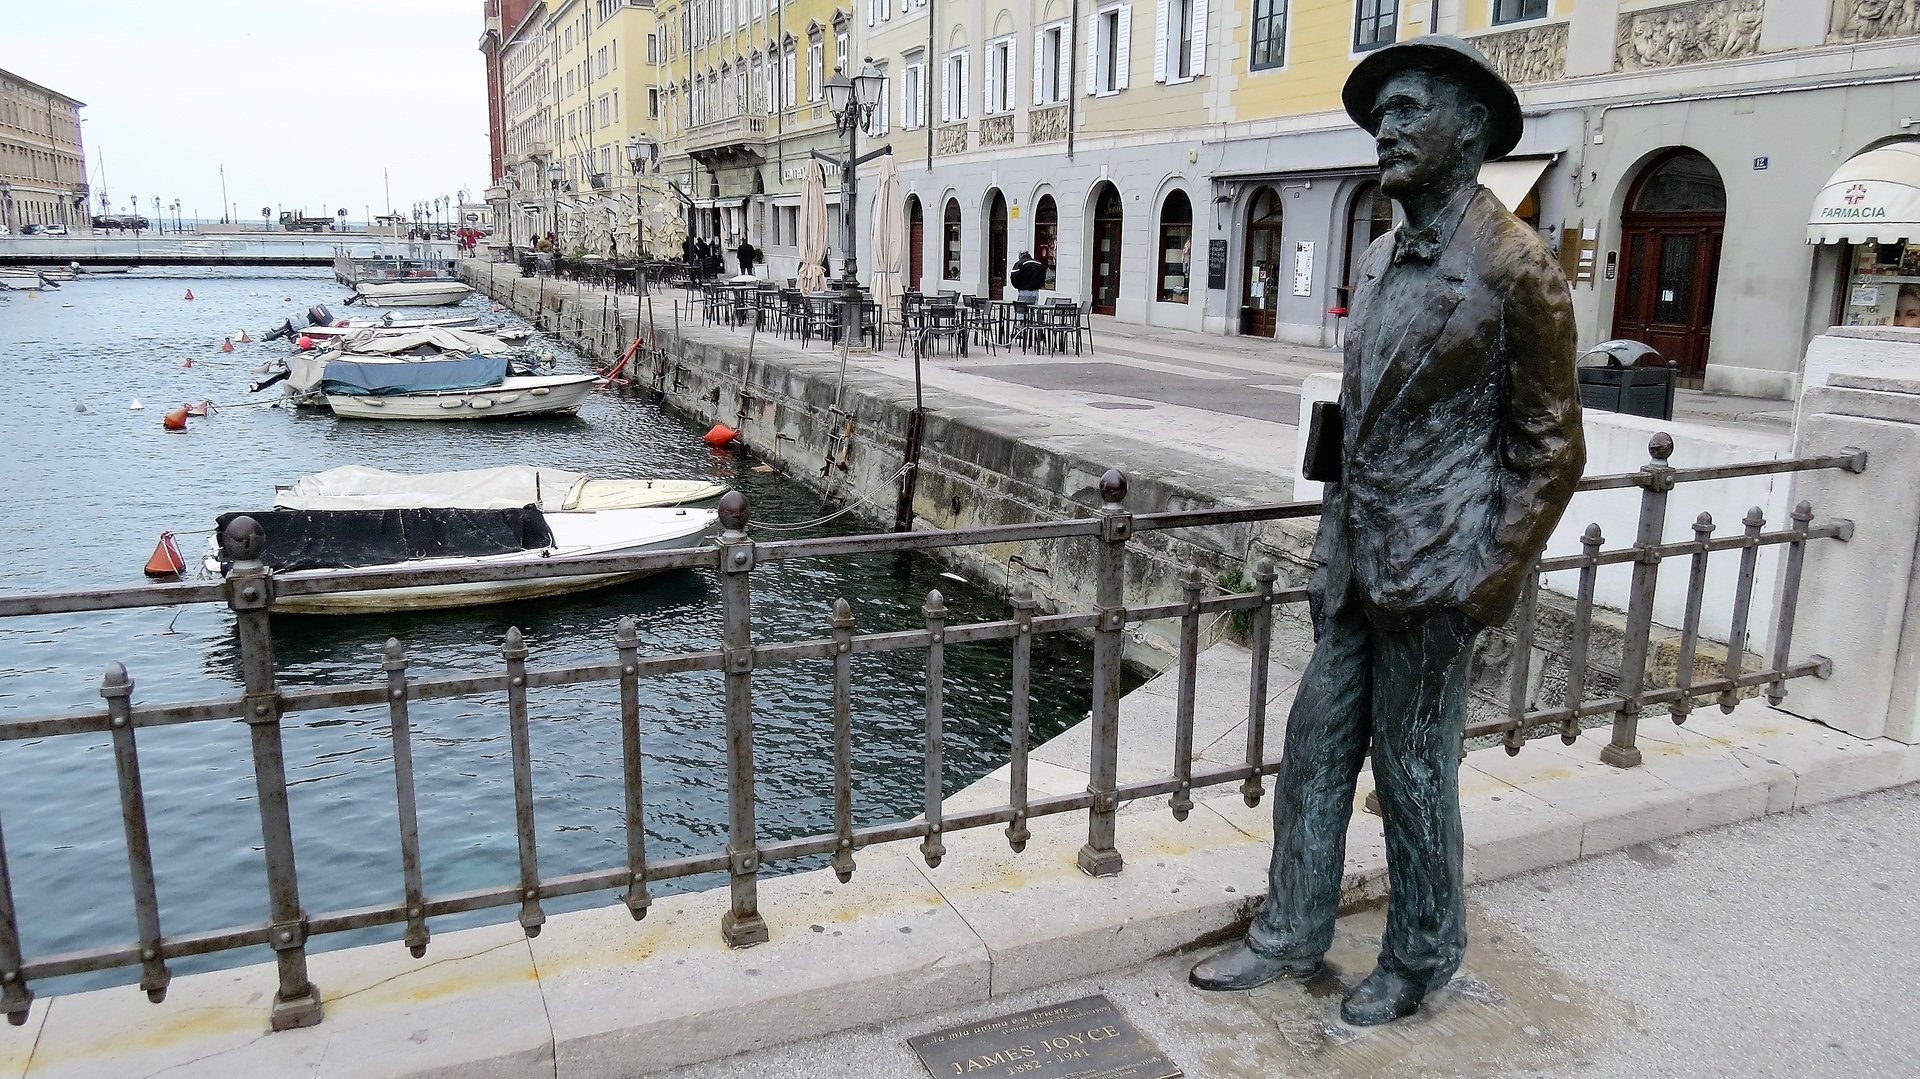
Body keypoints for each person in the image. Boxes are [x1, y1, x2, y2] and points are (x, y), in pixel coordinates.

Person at [1187, 35, 1585, 1027]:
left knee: (1412, 771)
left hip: (1442, 568)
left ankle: (1420, 955)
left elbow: (1551, 446)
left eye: (1410, 109)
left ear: (1472, 129)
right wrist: (1329, 540)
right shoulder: (1373, 258)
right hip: (1358, 558)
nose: (1387, 129)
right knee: (1314, 745)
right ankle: (1290, 929)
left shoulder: (1517, 268)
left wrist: (1487, 579)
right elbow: (1354, 417)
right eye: (1381, 114)